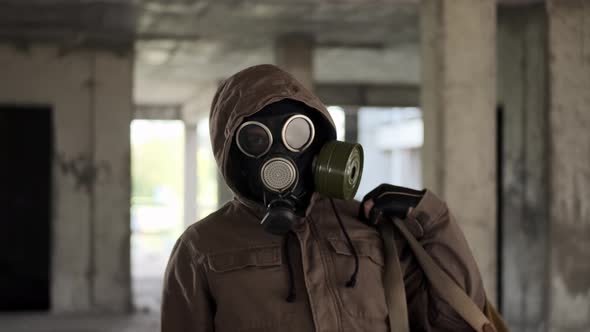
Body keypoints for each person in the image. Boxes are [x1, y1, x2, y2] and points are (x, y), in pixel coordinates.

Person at [161, 64, 489, 332]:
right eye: (256, 139)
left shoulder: (372, 225)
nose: (279, 154)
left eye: (297, 134)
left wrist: (432, 220)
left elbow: (456, 323)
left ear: (323, 146)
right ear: (232, 155)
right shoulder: (201, 247)